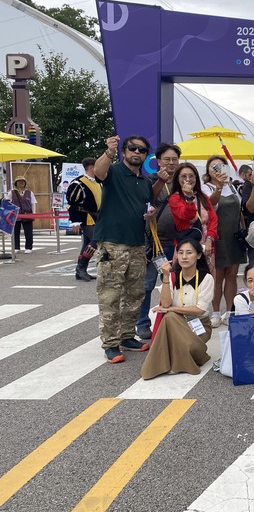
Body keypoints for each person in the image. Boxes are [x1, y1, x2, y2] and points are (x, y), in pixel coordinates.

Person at [93, 134, 155, 363]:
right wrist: (109, 152)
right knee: (110, 294)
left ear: (146, 155)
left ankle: (127, 336)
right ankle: (111, 343)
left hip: (137, 244)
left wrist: (150, 213)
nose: (137, 152)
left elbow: (146, 205)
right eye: (132, 148)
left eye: (142, 150)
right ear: (124, 151)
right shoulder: (114, 171)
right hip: (112, 243)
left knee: (135, 294)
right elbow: (99, 172)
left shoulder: (145, 182)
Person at [141, 239, 215, 379]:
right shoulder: (173, 277)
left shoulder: (207, 278)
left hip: (200, 325)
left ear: (199, 255)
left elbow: (200, 309)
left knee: (170, 316)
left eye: (189, 253)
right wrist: (166, 276)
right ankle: (186, 360)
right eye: (180, 253)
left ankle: (177, 361)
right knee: (170, 318)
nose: (184, 257)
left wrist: (172, 309)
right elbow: (166, 304)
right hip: (177, 323)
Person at [136, 142, 180, 339]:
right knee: (147, 284)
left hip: (178, 243)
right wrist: (161, 181)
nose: (171, 163)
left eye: (174, 159)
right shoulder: (149, 180)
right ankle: (142, 323)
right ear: (158, 161)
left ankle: (174, 321)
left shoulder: (182, 180)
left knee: (176, 284)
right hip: (155, 243)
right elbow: (147, 199)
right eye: (167, 159)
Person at [202, 155, 246, 327]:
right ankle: (215, 312)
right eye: (213, 167)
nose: (217, 169)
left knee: (232, 275)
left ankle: (229, 311)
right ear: (208, 170)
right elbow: (209, 205)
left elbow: (239, 210)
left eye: (221, 166)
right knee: (217, 276)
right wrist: (218, 188)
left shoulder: (233, 187)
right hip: (216, 236)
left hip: (234, 236)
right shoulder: (205, 188)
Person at [168, 163, 219, 275]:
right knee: (185, 280)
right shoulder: (175, 198)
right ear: (177, 179)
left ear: (196, 178)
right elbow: (187, 215)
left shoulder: (202, 196)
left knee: (207, 279)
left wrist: (210, 239)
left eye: (191, 176)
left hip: (205, 245)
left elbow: (213, 219)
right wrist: (189, 199)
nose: (188, 179)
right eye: (183, 176)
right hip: (186, 245)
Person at [67, 158, 102, 281]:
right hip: (85, 217)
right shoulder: (78, 183)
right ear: (91, 167)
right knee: (96, 240)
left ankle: (81, 270)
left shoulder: (98, 182)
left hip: (96, 216)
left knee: (87, 243)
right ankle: (81, 267)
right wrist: (75, 222)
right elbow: (72, 203)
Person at [7, 175, 36, 253]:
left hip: (27, 214)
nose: (21, 183)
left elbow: (33, 203)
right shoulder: (11, 192)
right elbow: (7, 203)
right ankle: (16, 247)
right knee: (16, 232)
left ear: (25, 183)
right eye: (19, 181)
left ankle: (28, 247)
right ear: (16, 183)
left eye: (22, 181)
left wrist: (34, 213)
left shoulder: (30, 193)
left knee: (28, 232)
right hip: (15, 215)